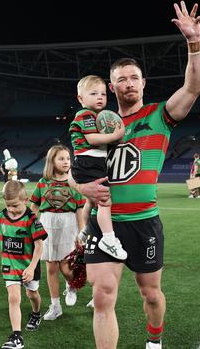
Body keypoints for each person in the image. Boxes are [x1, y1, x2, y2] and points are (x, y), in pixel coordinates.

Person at [71, 1, 200, 349]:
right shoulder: (93, 123)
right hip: (103, 224)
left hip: (144, 222)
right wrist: (80, 185)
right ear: (111, 88)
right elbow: (69, 172)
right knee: (102, 296)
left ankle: (155, 339)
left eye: (133, 77)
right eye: (120, 80)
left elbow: (193, 88)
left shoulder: (159, 115)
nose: (127, 83)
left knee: (151, 293)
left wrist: (194, 43)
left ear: (143, 82)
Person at [69, 74, 127, 261]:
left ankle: (85, 231)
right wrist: (116, 135)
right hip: (88, 162)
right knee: (104, 201)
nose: (100, 97)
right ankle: (108, 239)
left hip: (92, 163)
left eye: (103, 93)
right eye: (93, 93)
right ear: (81, 98)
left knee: (91, 202)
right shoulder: (85, 114)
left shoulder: (96, 116)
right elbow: (92, 139)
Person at [29, 145, 86, 320]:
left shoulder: (75, 182)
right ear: (52, 161)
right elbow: (35, 206)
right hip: (46, 224)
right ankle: (55, 306)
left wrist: (81, 233)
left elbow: (79, 210)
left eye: (68, 158)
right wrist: (28, 224)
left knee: (66, 266)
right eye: (61, 158)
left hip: (68, 224)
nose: (66, 162)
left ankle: (71, 285)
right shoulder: (42, 182)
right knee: (51, 267)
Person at [0, 180, 47, 348]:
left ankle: (36, 313)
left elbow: (39, 245)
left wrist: (31, 267)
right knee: (13, 297)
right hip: (10, 265)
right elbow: (2, 237)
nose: (11, 209)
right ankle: (17, 336)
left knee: (32, 294)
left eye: (15, 205)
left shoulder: (32, 220)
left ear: (25, 201)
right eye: (8, 205)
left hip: (29, 265)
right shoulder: (1, 216)